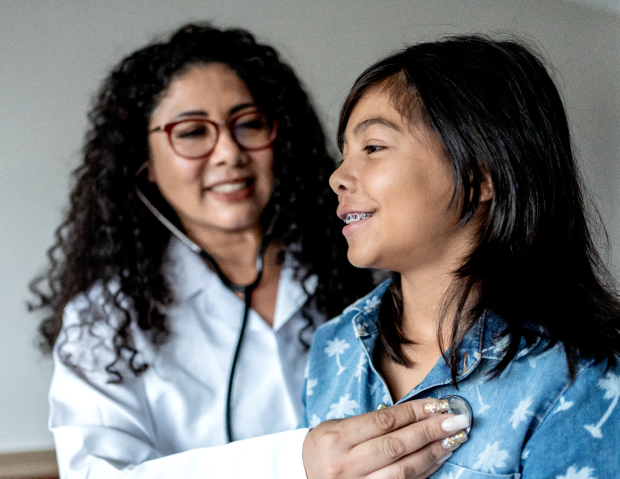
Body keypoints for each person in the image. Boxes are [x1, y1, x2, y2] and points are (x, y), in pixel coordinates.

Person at [30, 23, 465, 479]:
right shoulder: (103, 324)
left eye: (248, 124)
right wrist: (294, 463)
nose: (229, 154)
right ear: (144, 163)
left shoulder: (369, 269)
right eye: (193, 132)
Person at [301, 35, 620, 478]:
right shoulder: (332, 347)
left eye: (372, 147)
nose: (338, 176)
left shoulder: (579, 377)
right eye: (344, 153)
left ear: (481, 171)